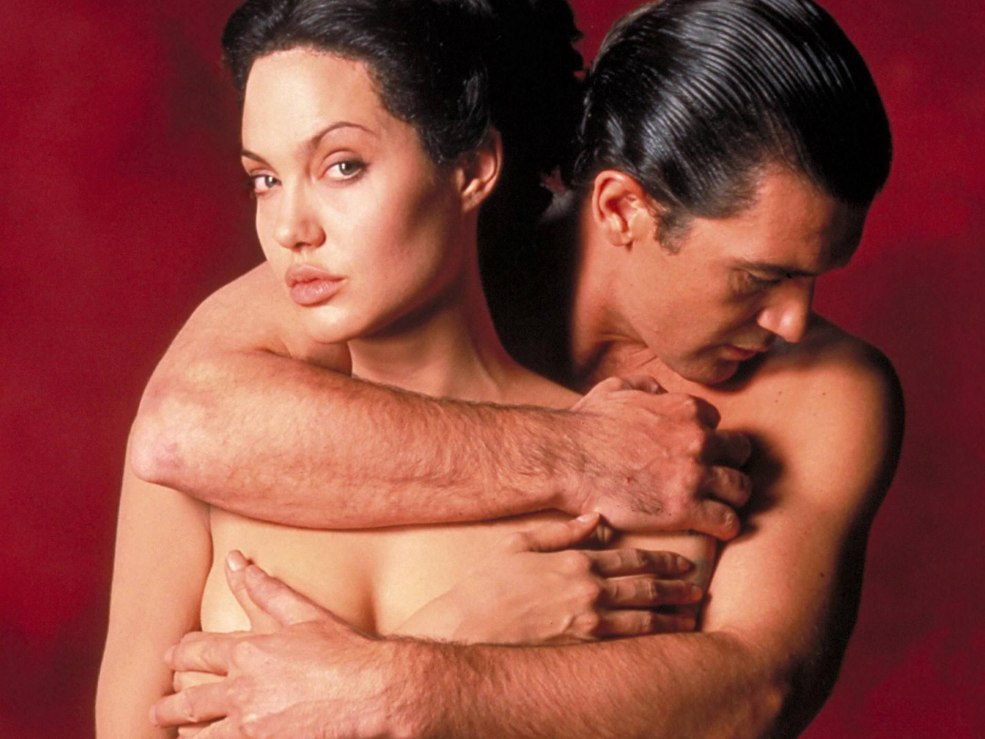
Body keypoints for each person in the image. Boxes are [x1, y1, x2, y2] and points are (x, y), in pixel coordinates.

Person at [145, 0, 903, 736]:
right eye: (760, 276)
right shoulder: (396, 269)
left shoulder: (823, 393)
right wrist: (580, 457)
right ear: (620, 208)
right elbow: (180, 429)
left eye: (813, 275)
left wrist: (392, 687)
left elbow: (757, 689)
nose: (792, 321)